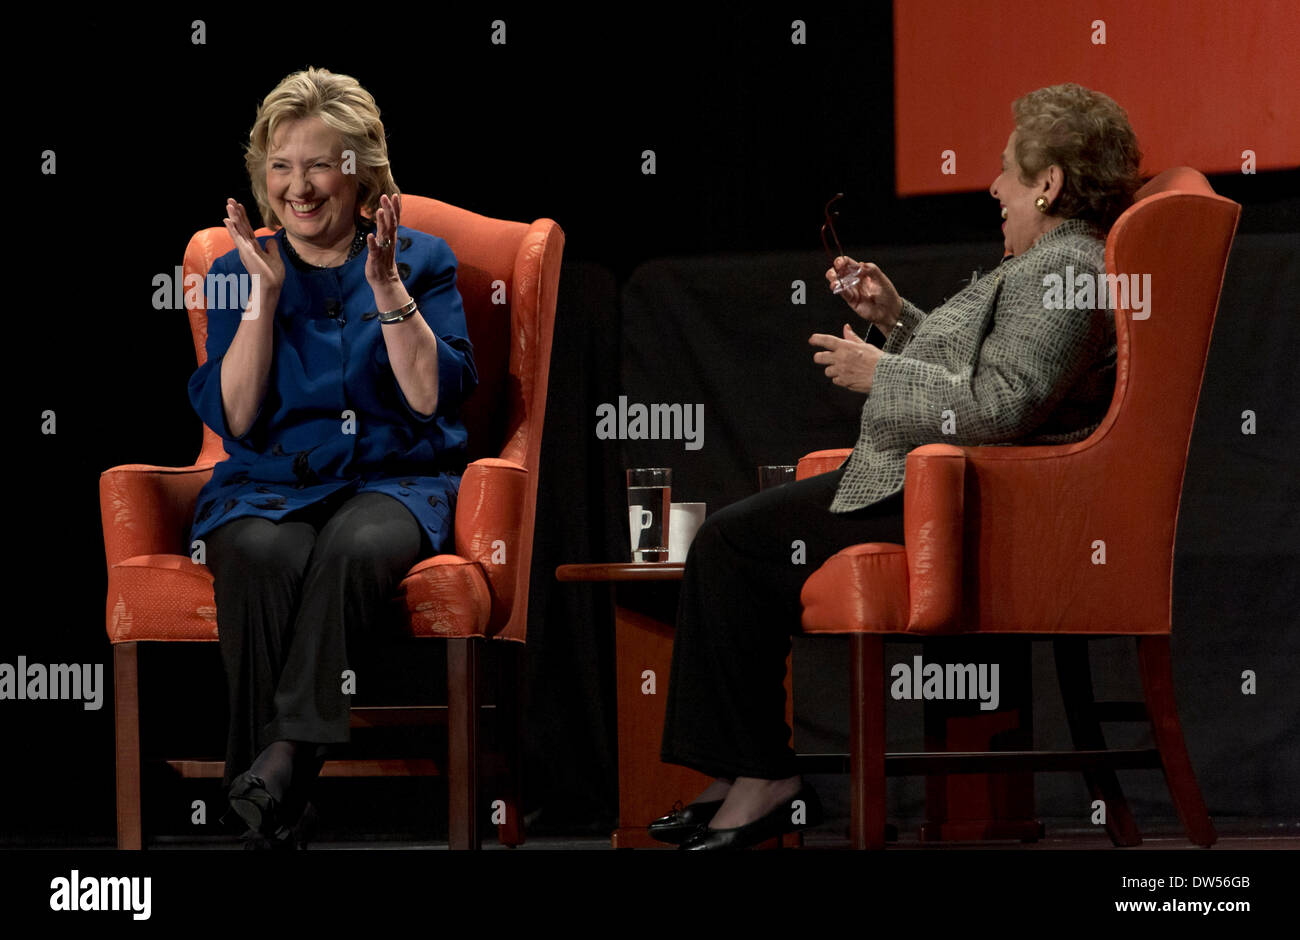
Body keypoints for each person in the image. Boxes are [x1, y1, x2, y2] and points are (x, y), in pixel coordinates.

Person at [653, 83, 1142, 849]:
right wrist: (895, 317)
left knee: (731, 547)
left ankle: (762, 774)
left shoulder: (1064, 271)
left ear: (1048, 183)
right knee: (736, 547)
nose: (993, 187)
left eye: (1008, 170)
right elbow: (986, 372)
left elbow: (1001, 405)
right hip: (937, 483)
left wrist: (879, 372)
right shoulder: (1049, 262)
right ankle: (743, 769)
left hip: (966, 497)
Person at [186, 67, 478, 848]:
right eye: (281, 165)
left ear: (361, 175)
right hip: (268, 486)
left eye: (319, 164)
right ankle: (281, 793)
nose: (299, 186)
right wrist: (262, 299)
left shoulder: (419, 260)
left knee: (352, 547)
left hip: (393, 482)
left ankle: (275, 768)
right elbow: (238, 415)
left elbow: (429, 399)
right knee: (255, 553)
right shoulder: (233, 272)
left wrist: (385, 290)